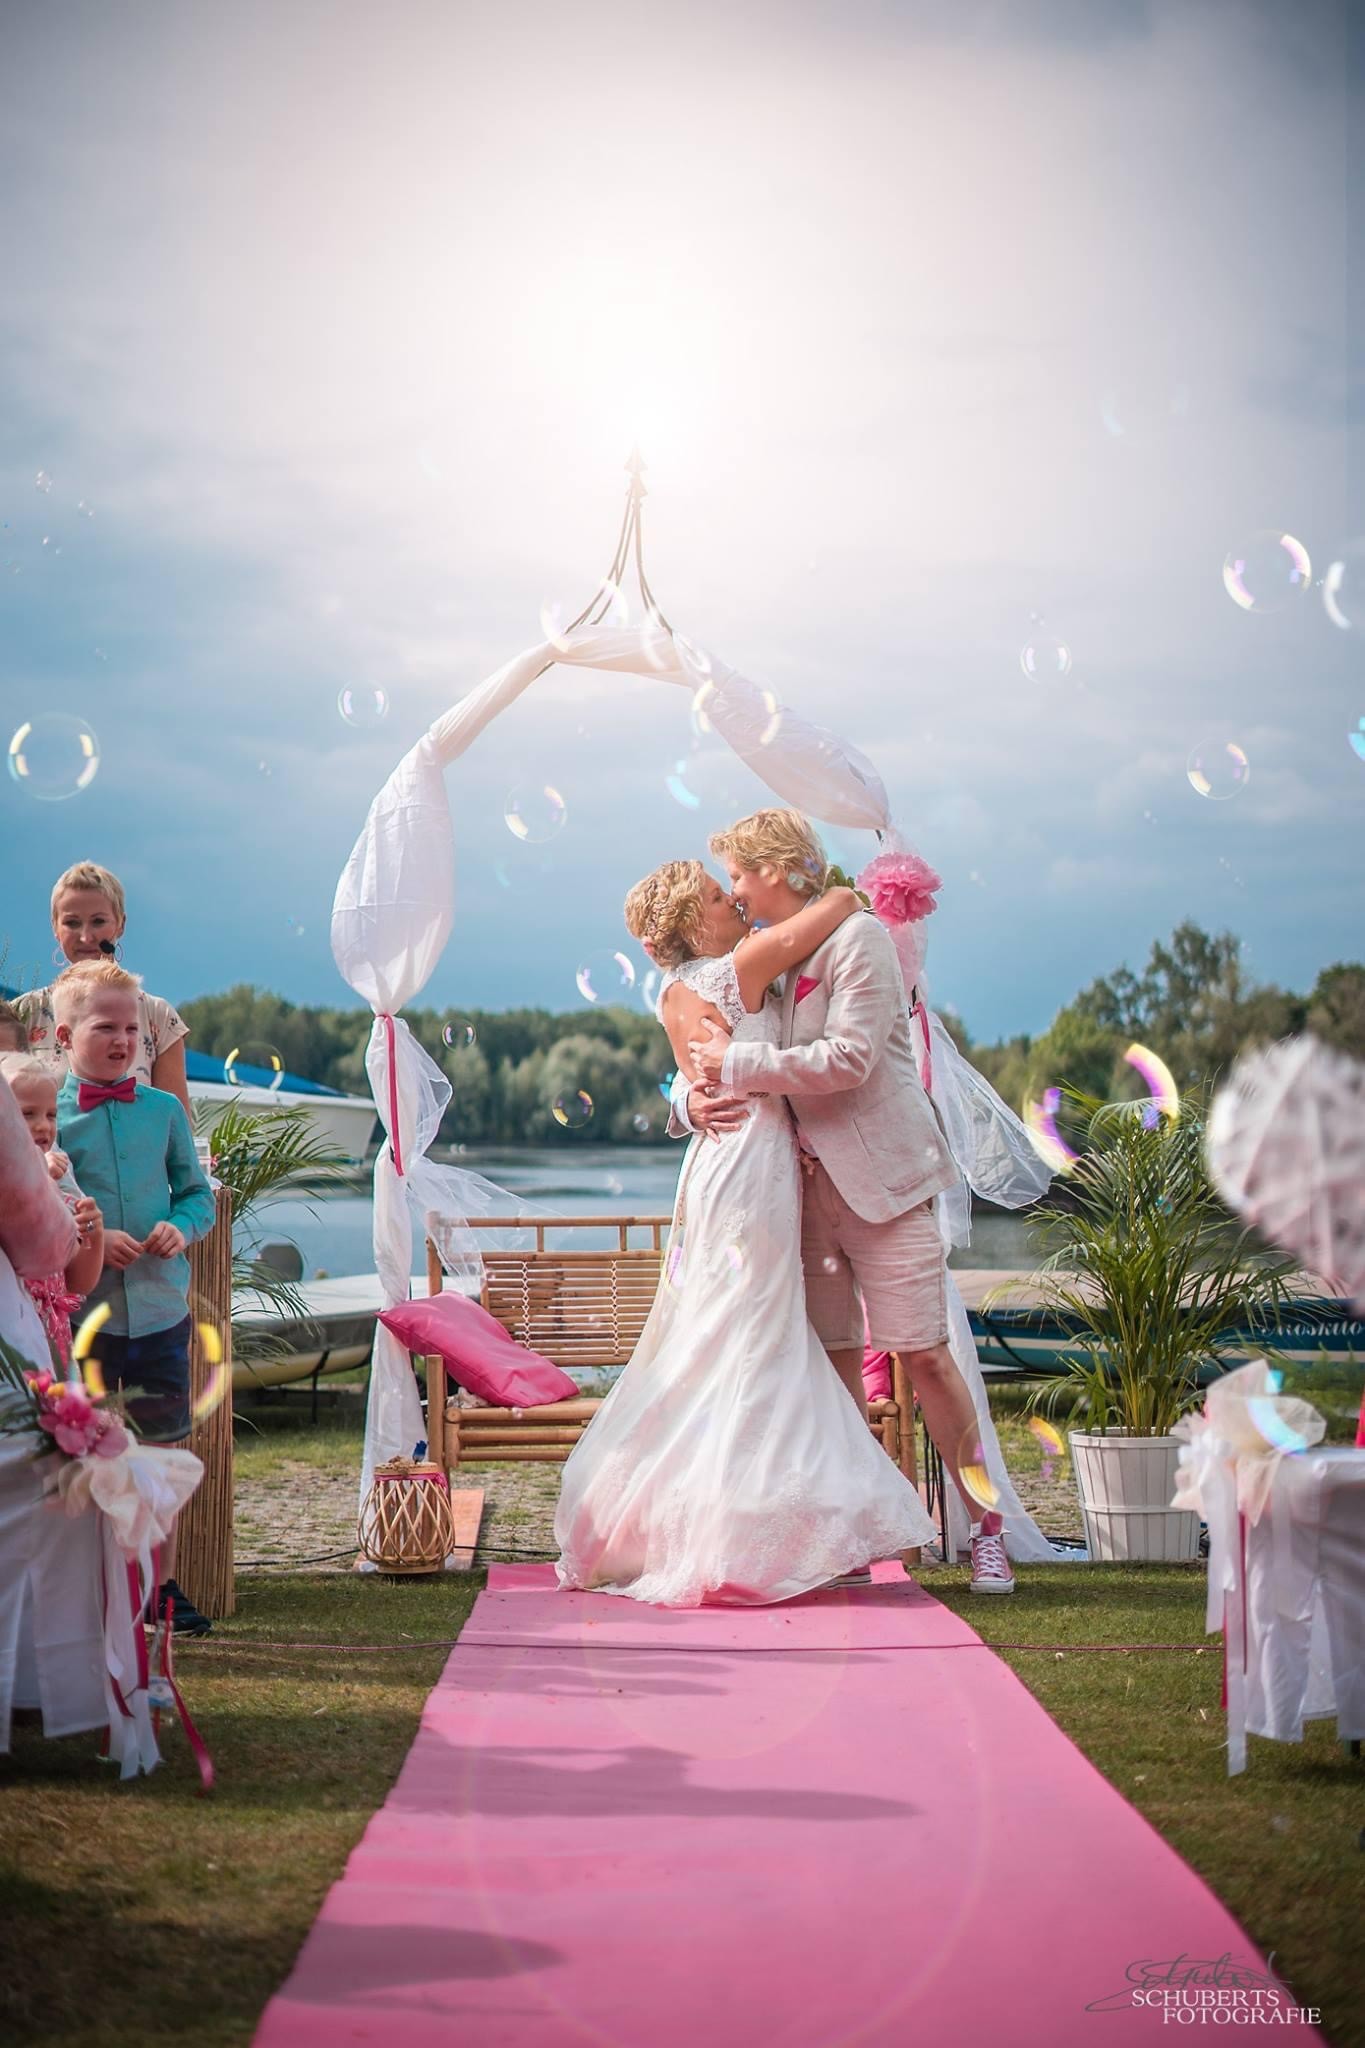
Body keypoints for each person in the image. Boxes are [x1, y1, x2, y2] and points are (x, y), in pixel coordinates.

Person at [554, 859, 937, 1607]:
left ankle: (707, 1521)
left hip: (716, 1165)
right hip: (751, 1163)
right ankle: (753, 1531)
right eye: (712, 893)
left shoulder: (675, 991)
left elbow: (697, 1074)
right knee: (753, 1334)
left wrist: (690, 1101)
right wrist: (854, 885)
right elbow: (822, 916)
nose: (730, 896)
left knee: (727, 1334)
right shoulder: (739, 965)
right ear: (694, 926)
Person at [684, 809, 1016, 1592]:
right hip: (796, 1197)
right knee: (832, 1375)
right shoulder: (754, 959)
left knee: (925, 1358)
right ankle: (853, 1539)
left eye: (738, 874)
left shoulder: (858, 937)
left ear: (776, 868)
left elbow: (851, 1058)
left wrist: (736, 1065)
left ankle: (986, 1532)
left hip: (886, 1185)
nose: (734, 893)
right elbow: (693, 1052)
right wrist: (690, 1104)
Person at [53, 959, 216, 1634]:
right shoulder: (47, 1116)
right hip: (82, 1319)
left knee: (161, 1455)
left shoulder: (165, 1111)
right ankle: (89, 1592)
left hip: (159, 1317)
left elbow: (197, 1195)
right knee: (81, 1460)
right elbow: (40, 1206)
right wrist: (95, 1236)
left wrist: (180, 1227)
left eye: (132, 1030)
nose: (123, 1041)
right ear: (66, 1037)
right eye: (105, 1028)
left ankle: (161, 1591)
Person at [16, 861, 192, 1112]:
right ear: (55, 927)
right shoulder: (23, 1014)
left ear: (121, 924)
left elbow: (177, 1127)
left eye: (98, 922)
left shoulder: (159, 1018)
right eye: (72, 923)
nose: (86, 937)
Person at [0, 1054, 104, 1369]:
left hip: (54, 1343)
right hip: (12, 1345)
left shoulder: (64, 1192)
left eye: (51, 1114)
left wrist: (93, 1234)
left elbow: (80, 1283)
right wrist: (35, 1175)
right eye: (27, 1114)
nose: (43, 1125)